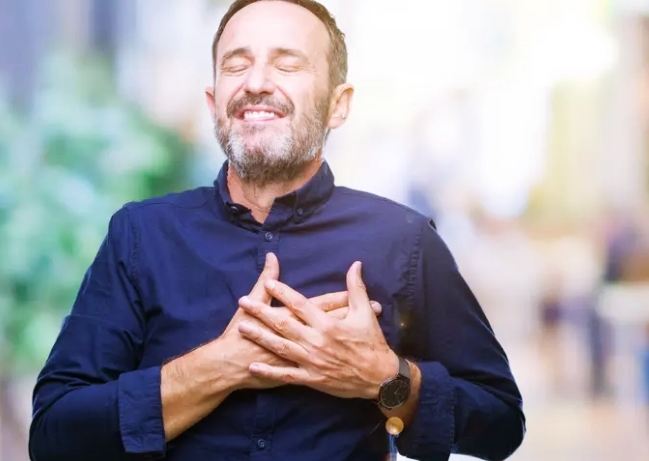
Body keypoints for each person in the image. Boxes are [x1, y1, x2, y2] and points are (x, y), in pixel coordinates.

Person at [28, 1, 525, 460]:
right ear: (214, 102)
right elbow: (54, 434)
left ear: (337, 104)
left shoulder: (405, 241)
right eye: (236, 65)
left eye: (287, 65)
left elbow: (500, 424)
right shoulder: (141, 235)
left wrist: (383, 377)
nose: (256, 82)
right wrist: (219, 366)